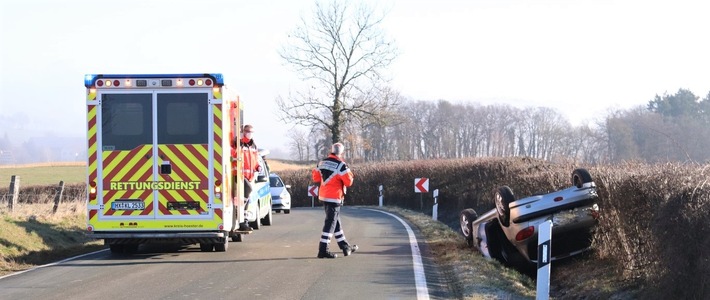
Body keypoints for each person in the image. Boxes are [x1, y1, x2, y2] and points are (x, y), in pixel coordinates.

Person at [312, 142, 358, 259]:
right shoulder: (341, 165)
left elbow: (315, 177)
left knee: (335, 222)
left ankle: (345, 246)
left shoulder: (322, 163)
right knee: (330, 223)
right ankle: (323, 250)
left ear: (331, 150)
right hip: (335, 197)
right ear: (341, 153)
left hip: (324, 196)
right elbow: (349, 182)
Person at [233, 124, 261, 232]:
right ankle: (239, 214)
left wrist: (258, 167)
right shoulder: (240, 143)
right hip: (239, 175)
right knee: (248, 190)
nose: (249, 133)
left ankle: (244, 220)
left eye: (251, 132)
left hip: (250, 176)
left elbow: (255, 160)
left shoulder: (253, 146)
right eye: (247, 131)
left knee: (247, 197)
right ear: (243, 132)